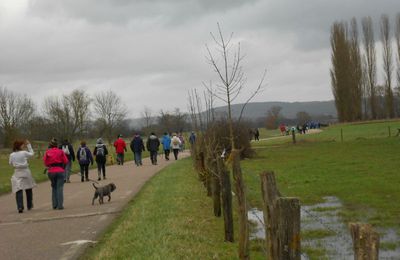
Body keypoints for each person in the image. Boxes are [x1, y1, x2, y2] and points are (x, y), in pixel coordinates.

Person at [9, 139, 36, 213]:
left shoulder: (12, 155)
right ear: (19, 146)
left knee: (18, 189)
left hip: (17, 172)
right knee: (28, 188)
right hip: (25, 171)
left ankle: (20, 206)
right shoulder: (24, 153)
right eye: (22, 145)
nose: (23, 146)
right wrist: (29, 145)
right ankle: (29, 205)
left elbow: (10, 164)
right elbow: (32, 154)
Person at [43, 138, 68, 210]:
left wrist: (49, 166)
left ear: (50, 145)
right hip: (60, 170)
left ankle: (54, 204)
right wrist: (62, 168)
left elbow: (45, 162)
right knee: (60, 188)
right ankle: (60, 205)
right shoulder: (60, 151)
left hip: (51, 171)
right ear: (57, 145)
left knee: (54, 187)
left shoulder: (47, 152)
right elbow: (66, 161)